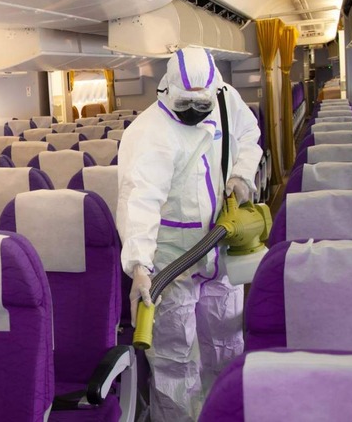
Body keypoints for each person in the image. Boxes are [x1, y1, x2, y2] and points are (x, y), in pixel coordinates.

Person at [117, 47, 262, 422]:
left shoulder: (228, 100)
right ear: (166, 90)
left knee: (226, 343)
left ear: (216, 89)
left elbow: (249, 134)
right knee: (174, 360)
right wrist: (139, 266)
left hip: (220, 245)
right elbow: (140, 200)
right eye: (186, 102)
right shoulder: (149, 133)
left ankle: (225, 414)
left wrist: (243, 172)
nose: (195, 110)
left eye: (203, 102)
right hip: (171, 257)